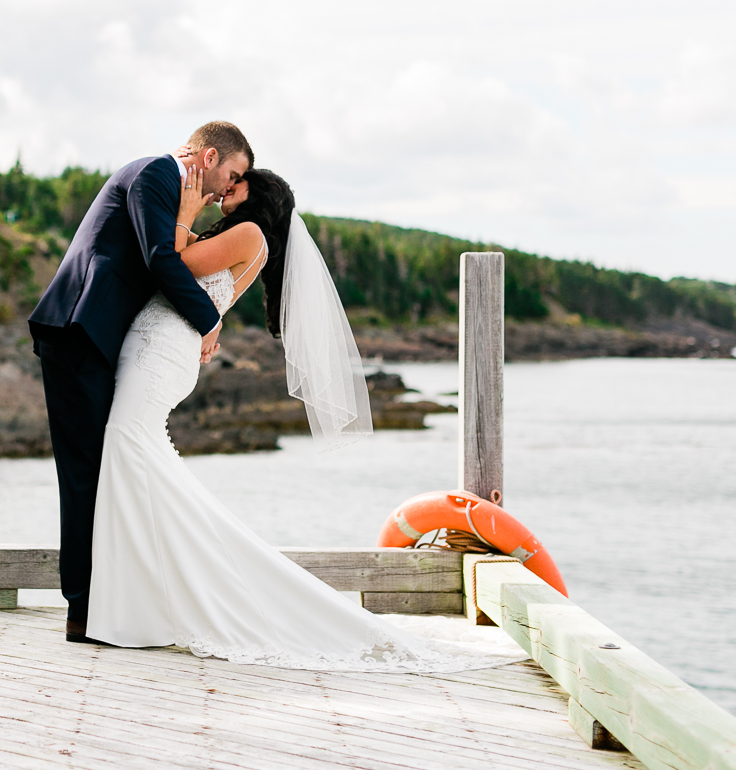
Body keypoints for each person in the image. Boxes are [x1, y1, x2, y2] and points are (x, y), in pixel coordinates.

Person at [84, 166, 485, 671]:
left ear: (261, 195)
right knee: (134, 454)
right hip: (159, 344)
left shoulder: (250, 235)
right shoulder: (243, 236)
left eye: (238, 181)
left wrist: (186, 213)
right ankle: (140, 602)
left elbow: (178, 264)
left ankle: (143, 602)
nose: (228, 187)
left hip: (162, 350)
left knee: (126, 440)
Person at [28, 122, 252, 643]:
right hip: (79, 330)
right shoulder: (157, 173)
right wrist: (209, 319)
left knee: (105, 468)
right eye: (231, 175)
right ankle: (82, 612)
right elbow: (158, 259)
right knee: (85, 475)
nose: (226, 190)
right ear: (211, 155)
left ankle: (107, 601)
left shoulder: (171, 188)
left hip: (98, 336)